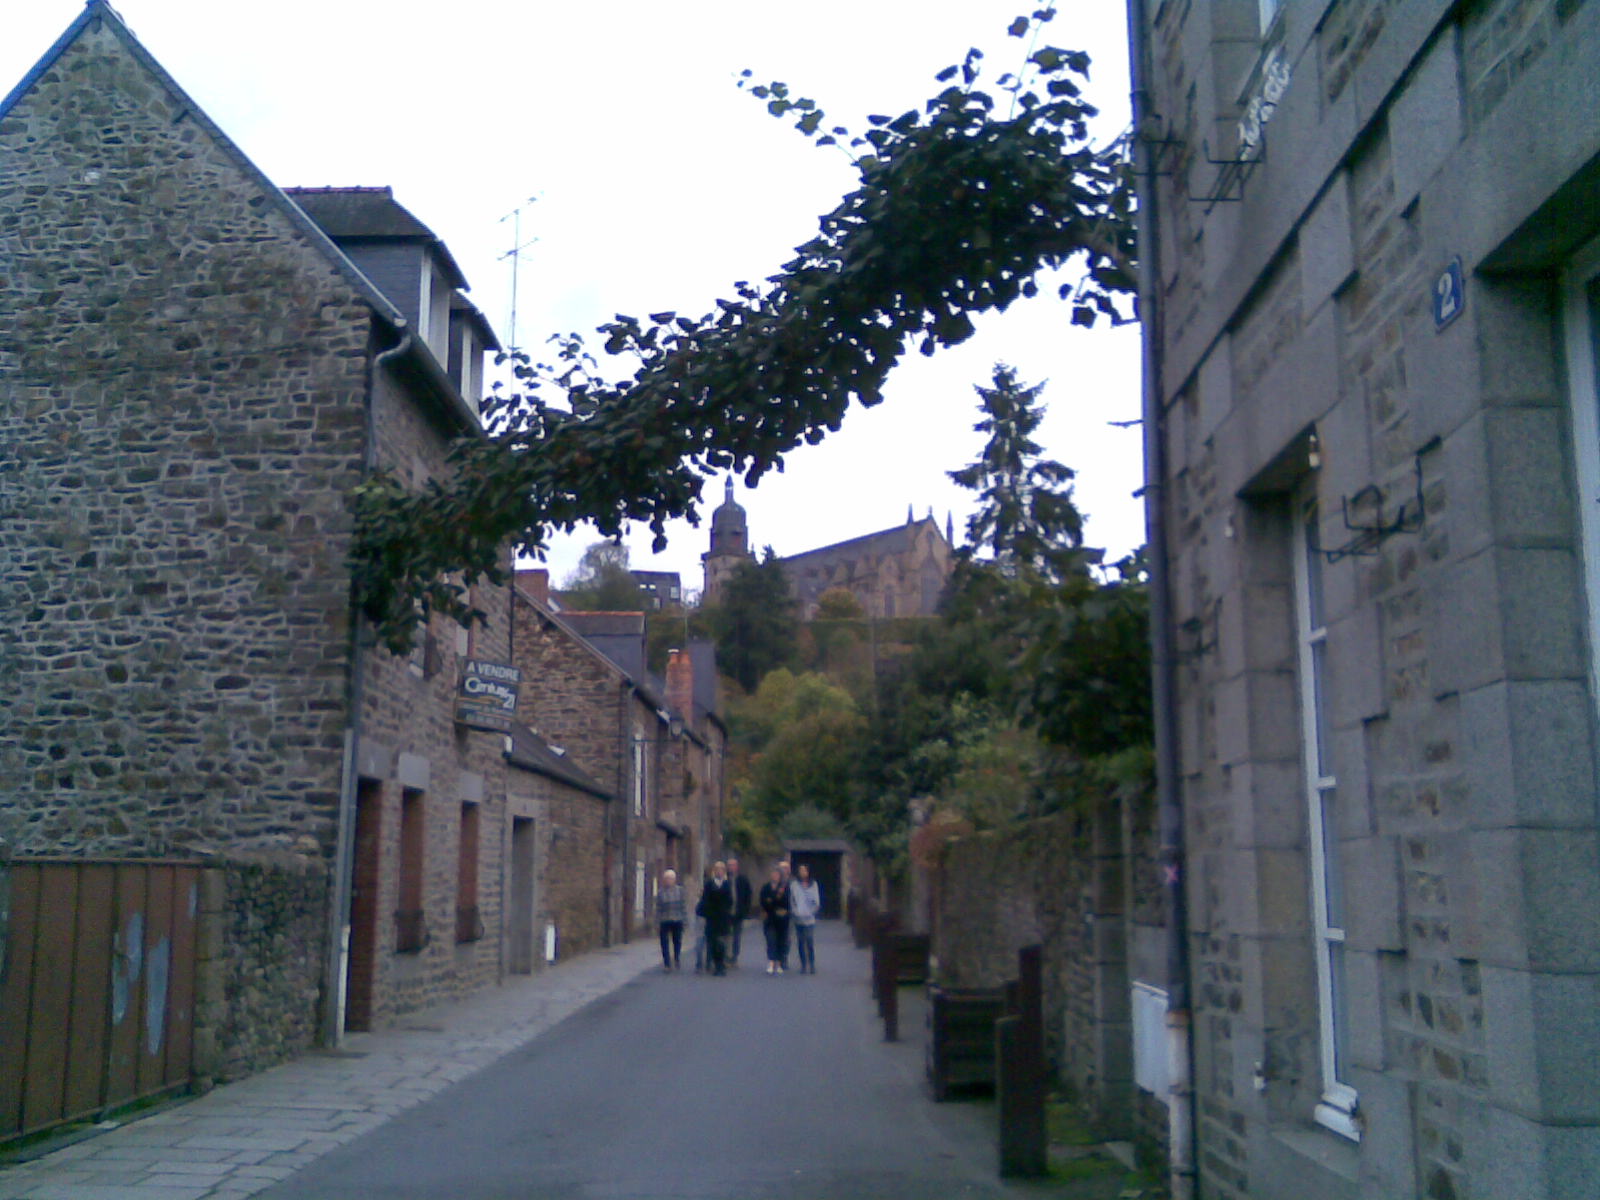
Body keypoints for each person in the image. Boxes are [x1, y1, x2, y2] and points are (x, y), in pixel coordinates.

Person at [696, 860, 734, 976]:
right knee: (712, 943)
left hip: (723, 918)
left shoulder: (727, 884)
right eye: (717, 870)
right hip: (711, 918)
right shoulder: (709, 884)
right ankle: (715, 964)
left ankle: (721, 965)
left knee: (721, 943)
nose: (719, 872)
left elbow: (730, 900)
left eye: (721, 870)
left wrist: (727, 912)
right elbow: (705, 900)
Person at [758, 866, 791, 975]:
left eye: (777, 875)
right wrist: (774, 900)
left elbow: (786, 902)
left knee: (781, 941)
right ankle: (771, 962)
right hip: (769, 919)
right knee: (770, 940)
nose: (775, 876)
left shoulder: (785, 887)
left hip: (782, 920)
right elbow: (764, 901)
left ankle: (780, 962)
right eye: (773, 874)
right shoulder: (766, 887)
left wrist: (773, 900)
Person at [790, 862, 821, 974]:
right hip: (798, 918)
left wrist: (812, 911)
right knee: (800, 942)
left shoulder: (813, 884)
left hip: (809, 918)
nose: (802, 873)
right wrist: (795, 911)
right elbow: (792, 900)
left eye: (804, 870)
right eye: (800, 870)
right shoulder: (794, 885)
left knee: (809, 941)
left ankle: (811, 964)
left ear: (808, 872)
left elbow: (816, 901)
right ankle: (803, 964)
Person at [656, 868, 686, 971]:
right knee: (664, 943)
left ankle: (676, 958)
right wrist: (657, 921)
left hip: (677, 919)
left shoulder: (680, 891)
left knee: (677, 941)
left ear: (674, 880)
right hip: (665, 919)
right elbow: (658, 908)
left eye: (670, 879)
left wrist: (685, 920)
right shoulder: (660, 892)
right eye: (667, 879)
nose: (668, 881)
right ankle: (667, 963)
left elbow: (683, 906)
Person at [727, 856, 753, 966]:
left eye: (733, 865)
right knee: (727, 936)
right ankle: (726, 956)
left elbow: (748, 895)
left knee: (736, 936)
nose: (731, 867)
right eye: (729, 865)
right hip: (726, 913)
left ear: (737, 867)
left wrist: (745, 910)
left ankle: (734, 956)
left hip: (738, 913)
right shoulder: (725, 879)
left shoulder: (743, 880)